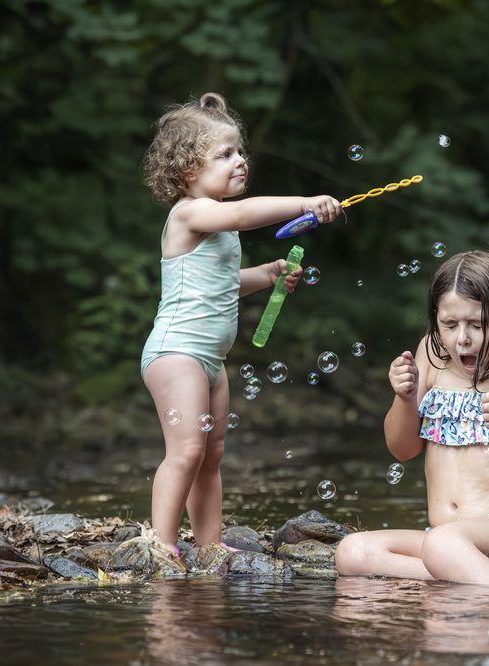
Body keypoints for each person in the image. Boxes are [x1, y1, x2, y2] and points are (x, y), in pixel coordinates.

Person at [140, 92, 342, 554]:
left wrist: (269, 274)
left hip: (209, 359)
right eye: (225, 154)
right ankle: (161, 543)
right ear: (189, 171)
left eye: (241, 151)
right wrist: (303, 203)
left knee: (211, 457)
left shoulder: (218, 224)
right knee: (187, 451)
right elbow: (242, 213)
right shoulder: (192, 213)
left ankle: (210, 544)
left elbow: (223, 284)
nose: (240, 161)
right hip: (177, 353)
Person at [335, 251, 489, 585]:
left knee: (444, 544)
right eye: (449, 325)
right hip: (447, 540)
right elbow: (403, 450)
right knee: (352, 552)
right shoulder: (431, 355)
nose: (462, 338)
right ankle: (480, 582)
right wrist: (404, 399)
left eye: (477, 324)